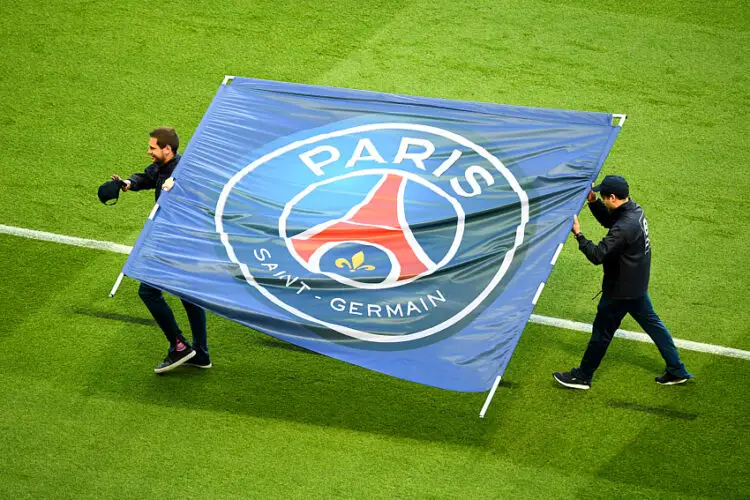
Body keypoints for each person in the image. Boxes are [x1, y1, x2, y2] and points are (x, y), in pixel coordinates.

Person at [553, 175, 692, 389]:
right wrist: (593, 202)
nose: (601, 198)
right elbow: (611, 221)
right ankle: (677, 369)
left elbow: (598, 255)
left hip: (619, 291)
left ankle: (582, 376)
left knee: (601, 333)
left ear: (612, 197)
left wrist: (578, 234)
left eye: (602, 196)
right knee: (655, 326)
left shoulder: (625, 227)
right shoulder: (634, 210)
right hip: (636, 285)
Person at [113, 127, 212, 374]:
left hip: (180, 242)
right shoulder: (162, 168)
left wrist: (177, 191)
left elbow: (200, 203)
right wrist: (127, 184)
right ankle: (201, 354)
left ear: (167, 149)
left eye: (152, 148)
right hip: (178, 242)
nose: (149, 152)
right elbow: (147, 177)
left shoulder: (185, 172)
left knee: (148, 291)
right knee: (189, 297)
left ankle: (179, 346)